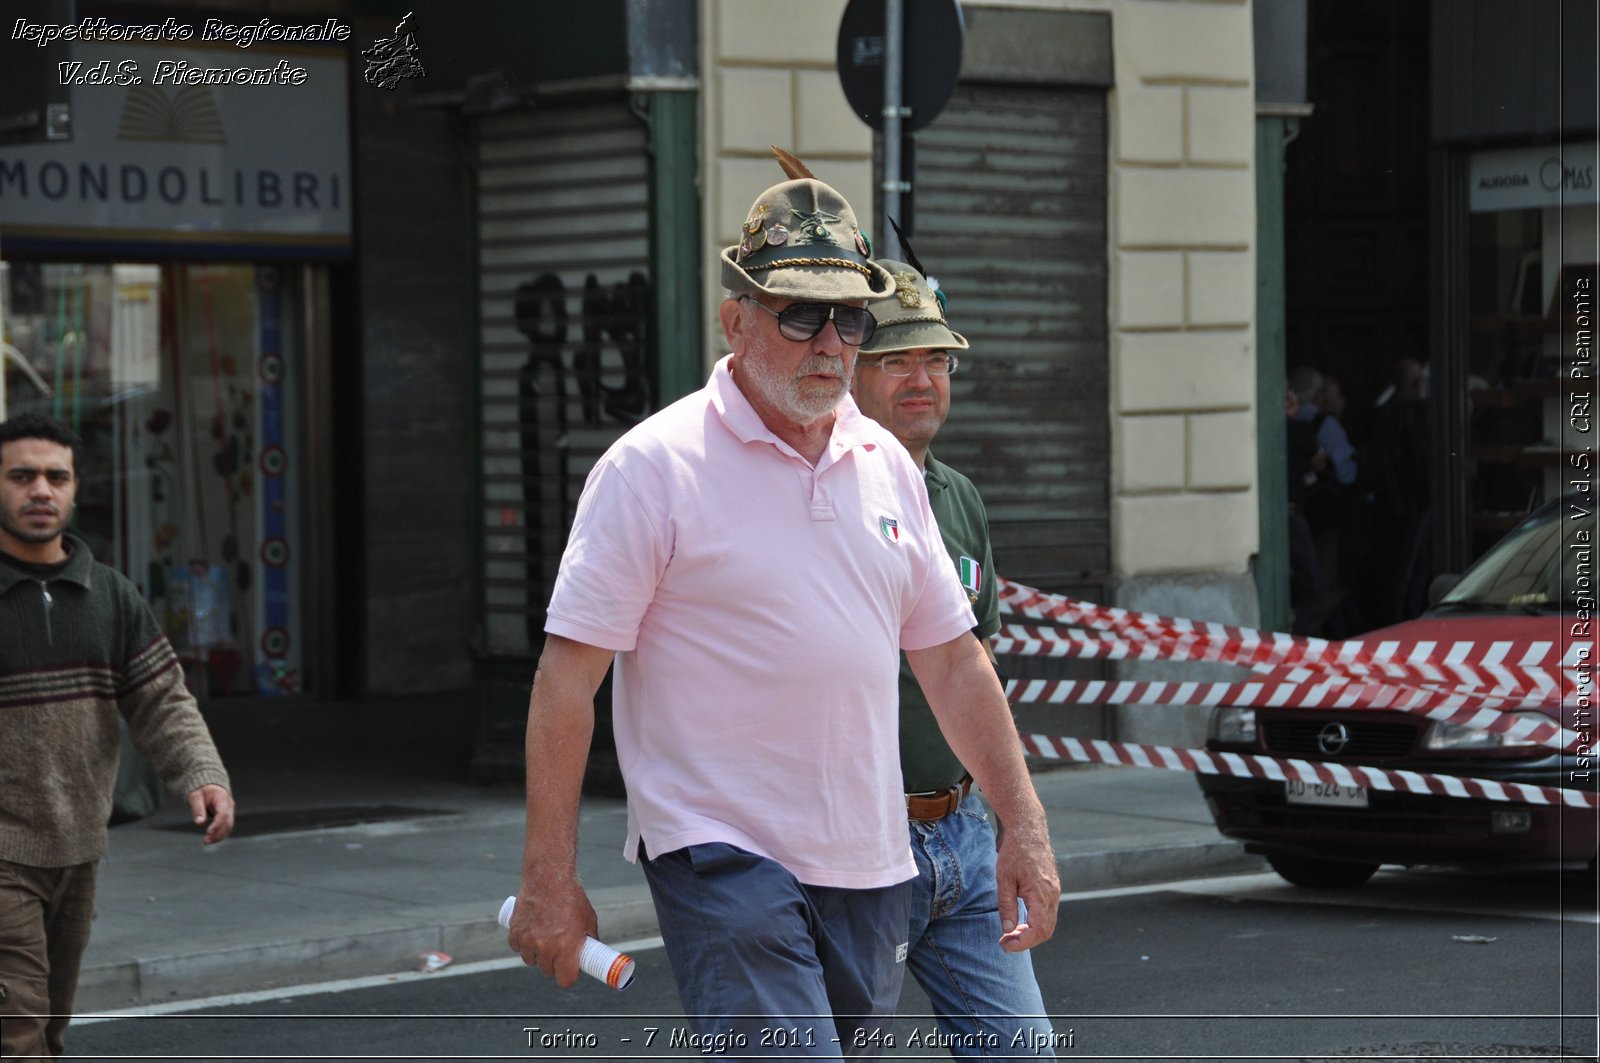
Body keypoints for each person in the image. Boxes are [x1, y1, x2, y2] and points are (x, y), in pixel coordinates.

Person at [507, 177, 1058, 1057]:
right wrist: (549, 875)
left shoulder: (885, 464)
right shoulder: (651, 467)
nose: (830, 342)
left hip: (870, 860)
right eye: (800, 314)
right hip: (720, 851)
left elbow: (955, 664)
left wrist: (1023, 825)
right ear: (737, 322)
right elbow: (567, 679)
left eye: (849, 319)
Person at [849, 257, 1058, 1057]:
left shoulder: (960, 498)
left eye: (936, 359)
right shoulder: (822, 493)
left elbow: (981, 666)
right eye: (895, 359)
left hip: (962, 835)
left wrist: (1015, 823)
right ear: (851, 372)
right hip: (860, 840)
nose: (921, 379)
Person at [0, 412, 235, 1061]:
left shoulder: (109, 595)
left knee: (48, 1025)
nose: (40, 490)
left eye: (56, 476)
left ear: (75, 487)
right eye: (22, 476)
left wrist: (202, 774)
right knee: (15, 1031)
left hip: (79, 846)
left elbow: (161, 697)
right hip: (2, 853)